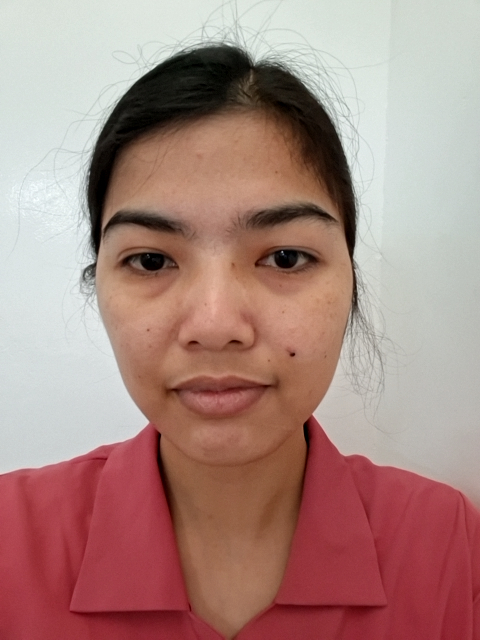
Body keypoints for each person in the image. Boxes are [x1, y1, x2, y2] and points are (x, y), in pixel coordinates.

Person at [1, 42, 479, 640]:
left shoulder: (448, 545)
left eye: (285, 257)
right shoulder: (9, 540)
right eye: (151, 260)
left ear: (350, 282)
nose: (215, 325)